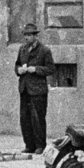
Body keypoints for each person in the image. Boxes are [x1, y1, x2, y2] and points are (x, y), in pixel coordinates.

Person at [15, 22, 56, 154]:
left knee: (37, 118)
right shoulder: (22, 49)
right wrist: (19, 70)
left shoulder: (44, 50)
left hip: (38, 90)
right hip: (24, 89)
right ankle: (29, 145)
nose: (26, 38)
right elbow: (16, 65)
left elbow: (51, 69)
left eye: (29, 35)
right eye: (25, 35)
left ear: (35, 36)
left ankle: (40, 145)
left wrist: (36, 69)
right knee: (25, 118)